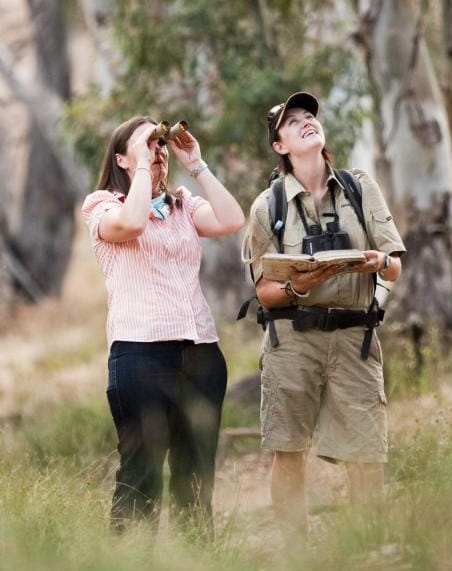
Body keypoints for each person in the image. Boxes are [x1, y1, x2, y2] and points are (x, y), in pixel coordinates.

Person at [246, 91, 405, 542]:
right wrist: (301, 285)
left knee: (366, 452)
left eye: (309, 117)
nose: (305, 123)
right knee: (288, 449)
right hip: (293, 341)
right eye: (291, 122)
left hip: (356, 337)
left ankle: (368, 547)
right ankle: (296, 555)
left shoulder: (359, 188)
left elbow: (395, 263)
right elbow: (264, 292)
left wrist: (378, 264)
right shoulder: (267, 206)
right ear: (280, 146)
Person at [81, 116, 245, 534]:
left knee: (195, 477)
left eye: (161, 144)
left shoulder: (182, 205)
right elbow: (132, 225)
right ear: (122, 157)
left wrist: (196, 164)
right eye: (148, 144)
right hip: (140, 354)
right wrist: (140, 165)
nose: (158, 152)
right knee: (142, 477)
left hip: (201, 353)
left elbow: (231, 220)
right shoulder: (102, 206)